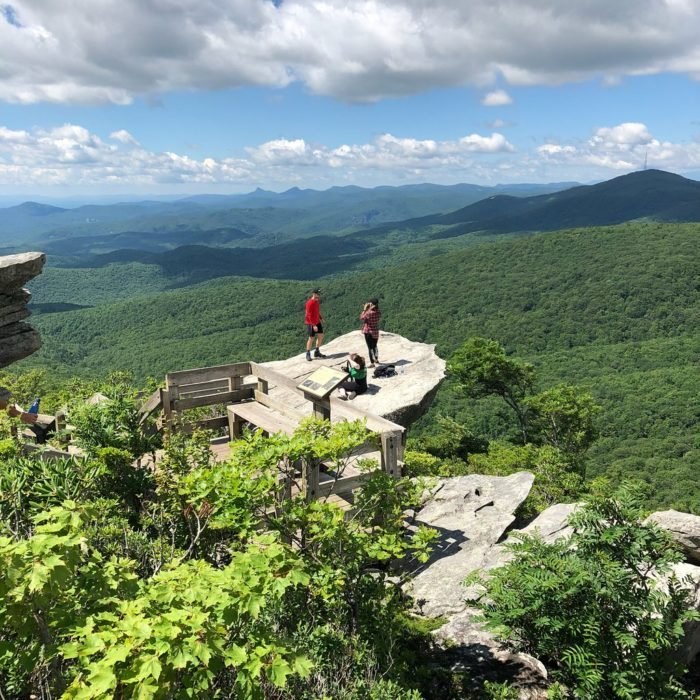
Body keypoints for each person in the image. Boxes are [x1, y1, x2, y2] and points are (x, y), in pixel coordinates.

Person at [305, 288, 327, 361]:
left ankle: (317, 351)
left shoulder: (317, 301)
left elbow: (317, 311)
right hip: (311, 323)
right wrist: (313, 325)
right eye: (317, 294)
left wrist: (321, 318)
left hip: (317, 321)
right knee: (311, 338)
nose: (319, 295)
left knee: (321, 335)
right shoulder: (310, 303)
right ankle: (308, 354)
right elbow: (308, 315)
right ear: (313, 294)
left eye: (319, 294)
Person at [360, 297, 381, 367]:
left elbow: (362, 318)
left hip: (368, 331)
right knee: (375, 346)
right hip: (375, 331)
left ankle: (372, 363)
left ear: (371, 304)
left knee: (370, 348)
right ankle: (376, 359)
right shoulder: (378, 312)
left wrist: (365, 309)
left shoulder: (368, 313)